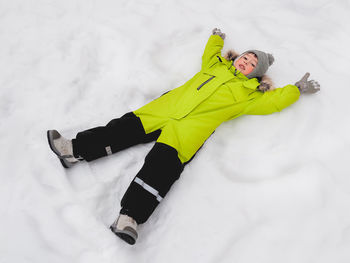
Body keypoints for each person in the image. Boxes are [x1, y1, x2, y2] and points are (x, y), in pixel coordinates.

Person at [47, 28, 320, 245]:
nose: (245, 63)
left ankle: (129, 219)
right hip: (162, 111)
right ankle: (73, 149)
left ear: (256, 74)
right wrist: (216, 38)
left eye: (251, 65)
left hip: (187, 131)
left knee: (160, 171)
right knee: (120, 130)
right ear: (236, 57)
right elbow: (209, 55)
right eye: (244, 58)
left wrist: (295, 89)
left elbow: (272, 104)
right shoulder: (212, 68)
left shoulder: (249, 96)